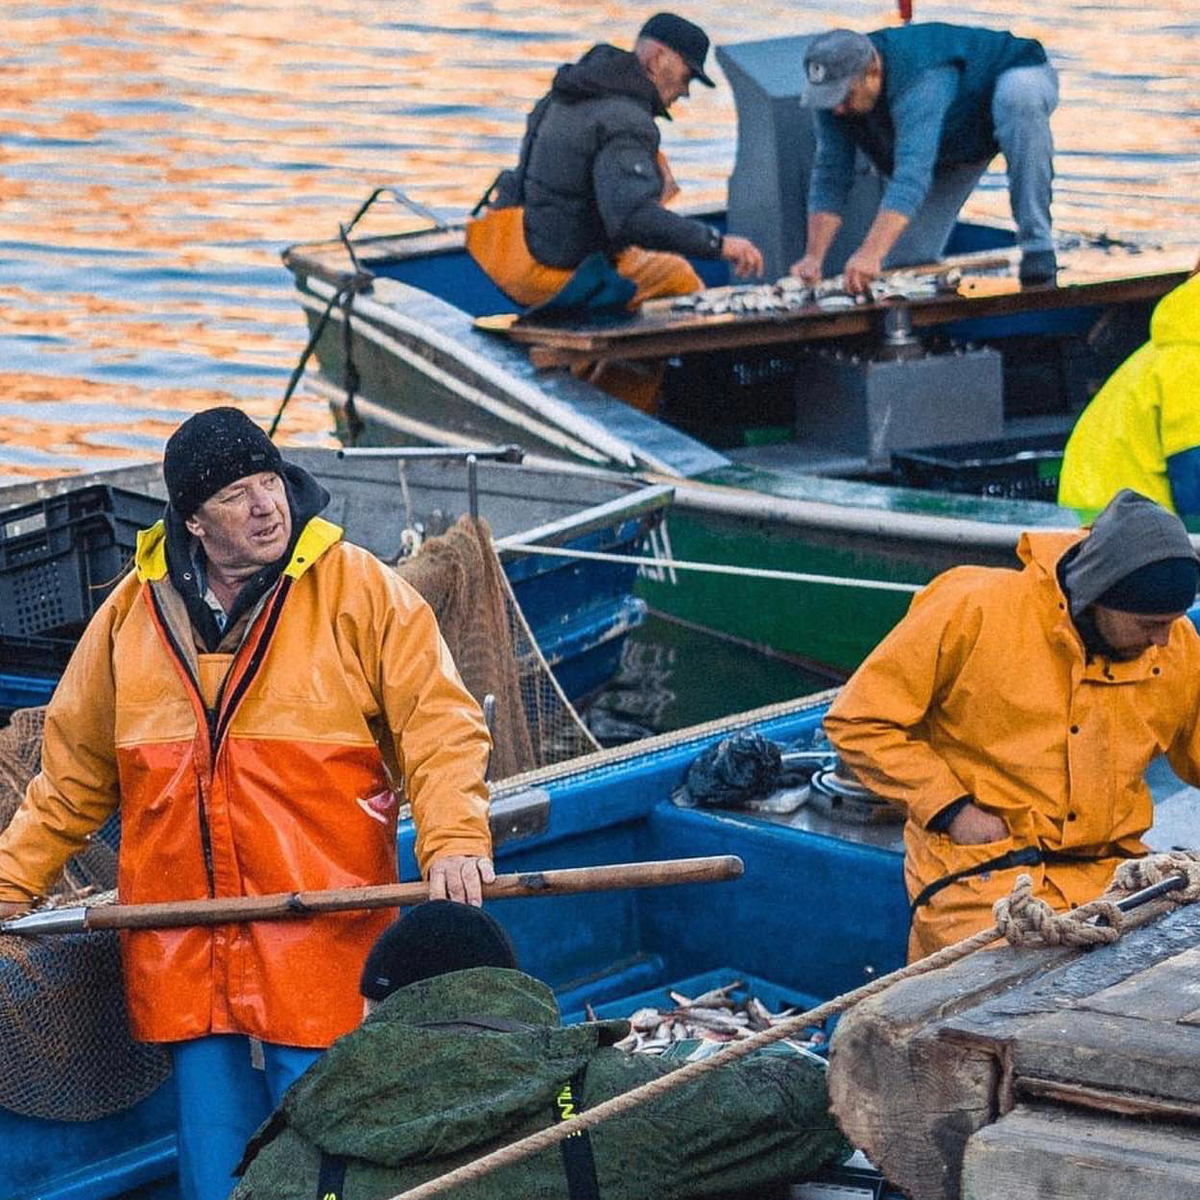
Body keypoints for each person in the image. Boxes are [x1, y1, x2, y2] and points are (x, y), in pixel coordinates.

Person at [0, 407, 495, 1200]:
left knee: (336, 1156)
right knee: (217, 1170)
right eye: (237, 494)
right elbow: (68, 781)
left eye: (271, 481)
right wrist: (9, 882)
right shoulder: (129, 616)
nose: (267, 505)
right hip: (185, 955)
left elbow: (439, 726)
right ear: (193, 521)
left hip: (324, 947)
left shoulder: (359, 589)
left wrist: (455, 839)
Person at [232, 901, 850, 1199]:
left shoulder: (281, 1156)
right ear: (504, 994)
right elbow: (816, 1104)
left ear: (378, 1014)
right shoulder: (603, 1102)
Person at [824, 489, 1200, 962]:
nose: (1163, 638)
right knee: (987, 994)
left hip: (1114, 877)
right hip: (983, 881)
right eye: (1149, 624)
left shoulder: (1177, 644)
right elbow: (859, 719)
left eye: (1173, 620)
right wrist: (952, 811)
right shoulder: (972, 608)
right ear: (1097, 596)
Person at [466, 12, 764, 314]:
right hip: (560, 270)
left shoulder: (568, 92)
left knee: (648, 253)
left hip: (519, 251)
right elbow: (633, 219)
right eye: (687, 77)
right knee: (677, 277)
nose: (685, 92)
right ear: (658, 58)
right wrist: (718, 244)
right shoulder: (628, 120)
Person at [790, 23, 1059, 294]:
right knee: (901, 264)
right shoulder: (832, 99)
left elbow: (910, 177)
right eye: (828, 97)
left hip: (1012, 81)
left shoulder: (921, 79)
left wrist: (869, 252)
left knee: (1019, 96)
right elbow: (831, 174)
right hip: (950, 139)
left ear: (873, 71)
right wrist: (813, 258)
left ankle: (1038, 245)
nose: (837, 108)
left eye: (844, 96)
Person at [1059, 270, 1200, 520]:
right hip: (1115, 532)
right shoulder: (1189, 365)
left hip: (1122, 523)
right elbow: (1194, 489)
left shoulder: (1174, 349)